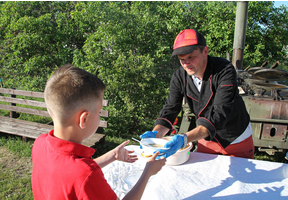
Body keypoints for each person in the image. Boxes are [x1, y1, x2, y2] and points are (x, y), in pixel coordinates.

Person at [31, 64, 166, 200]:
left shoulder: (40, 143)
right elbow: (82, 174)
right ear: (83, 119)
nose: (99, 116)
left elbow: (66, 171)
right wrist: (148, 172)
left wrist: (112, 155)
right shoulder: (86, 175)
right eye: (99, 112)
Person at [140, 29, 254, 159]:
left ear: (205, 51)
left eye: (190, 57)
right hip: (205, 137)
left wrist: (184, 139)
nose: (186, 63)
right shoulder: (179, 76)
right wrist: (156, 134)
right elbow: (170, 109)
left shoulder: (224, 70)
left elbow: (220, 113)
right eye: (181, 59)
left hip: (236, 137)